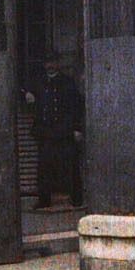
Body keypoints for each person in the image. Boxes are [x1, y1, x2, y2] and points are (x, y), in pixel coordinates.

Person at [32, 58, 84, 210]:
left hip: (65, 131)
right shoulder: (39, 83)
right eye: (47, 63)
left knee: (71, 165)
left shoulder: (68, 83)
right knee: (44, 168)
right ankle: (44, 200)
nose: (50, 66)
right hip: (46, 132)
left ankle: (76, 198)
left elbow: (77, 106)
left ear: (58, 65)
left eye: (53, 63)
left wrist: (77, 129)